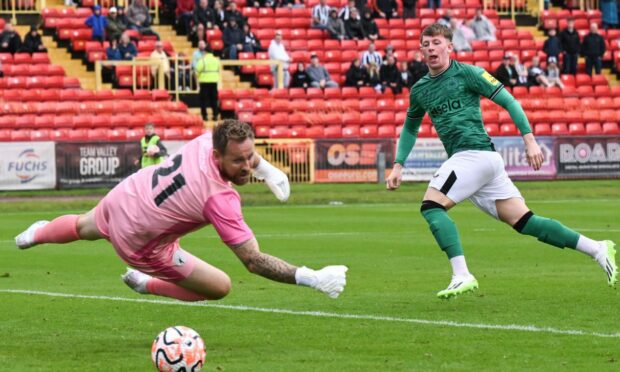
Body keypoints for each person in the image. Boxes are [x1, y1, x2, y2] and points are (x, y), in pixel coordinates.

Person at [386, 23, 617, 299]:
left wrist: (529, 139)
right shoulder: (420, 90)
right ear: (421, 50)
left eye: (437, 42)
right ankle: (597, 248)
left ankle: (461, 274)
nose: (431, 48)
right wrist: (399, 164)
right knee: (525, 222)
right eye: (426, 43)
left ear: (450, 47)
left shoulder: (469, 73)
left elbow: (510, 102)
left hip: (474, 155)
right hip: (481, 163)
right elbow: (411, 127)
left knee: (431, 206)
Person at [15, 120, 348, 302]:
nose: (247, 166)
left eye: (251, 157)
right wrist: (312, 277)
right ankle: (148, 284)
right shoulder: (220, 198)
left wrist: (268, 169)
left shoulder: (208, 140)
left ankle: (38, 233)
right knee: (219, 287)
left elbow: (237, 145)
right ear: (219, 158)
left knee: (82, 226)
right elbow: (254, 261)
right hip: (139, 241)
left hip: (127, 194)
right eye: (238, 161)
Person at [195, 44, 220, 120]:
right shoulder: (216, 60)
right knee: (214, 100)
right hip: (214, 82)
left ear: (205, 52)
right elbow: (218, 70)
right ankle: (215, 115)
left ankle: (204, 116)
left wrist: (198, 80)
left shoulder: (202, 60)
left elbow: (197, 71)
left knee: (203, 100)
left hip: (204, 82)